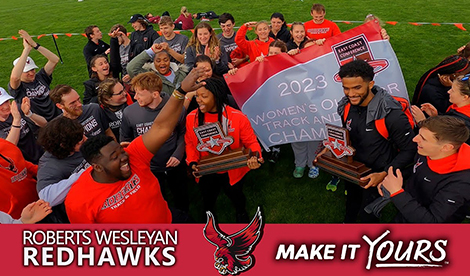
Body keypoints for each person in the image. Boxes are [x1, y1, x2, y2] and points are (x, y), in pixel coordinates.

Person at [65, 67, 206, 223]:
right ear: (97, 166)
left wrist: (181, 91)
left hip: (171, 219)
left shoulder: (134, 156)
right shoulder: (78, 201)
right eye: (114, 157)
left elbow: (161, 127)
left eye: (120, 151)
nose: (124, 157)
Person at [316, 60, 416, 223]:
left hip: (377, 176)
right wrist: (331, 149)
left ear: (371, 84)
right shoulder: (346, 106)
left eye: (357, 88)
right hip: (353, 170)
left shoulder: (392, 115)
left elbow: (410, 150)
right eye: (346, 88)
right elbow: (347, 135)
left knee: (368, 215)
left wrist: (383, 174)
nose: (350, 94)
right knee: (351, 203)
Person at [185, 77, 263, 222]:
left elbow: (251, 142)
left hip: (232, 168)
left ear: (217, 96)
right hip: (206, 168)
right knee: (208, 197)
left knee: (235, 194)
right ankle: (209, 216)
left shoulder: (237, 117)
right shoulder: (192, 118)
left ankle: (241, 212)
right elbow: (190, 143)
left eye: (204, 96)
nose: (199, 100)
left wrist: (256, 157)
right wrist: (192, 162)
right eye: (197, 96)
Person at [380, 116, 470, 223]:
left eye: (423, 138)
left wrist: (397, 193)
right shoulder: (427, 152)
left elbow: (432, 222)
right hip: (407, 209)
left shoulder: (461, 183)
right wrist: (390, 179)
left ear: (446, 147)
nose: (414, 139)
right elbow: (417, 169)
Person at [120, 72, 189, 212]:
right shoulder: (129, 113)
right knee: (156, 201)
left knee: (182, 197)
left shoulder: (175, 108)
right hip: (148, 169)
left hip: (175, 164)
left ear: (155, 94)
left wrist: (178, 154)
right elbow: (125, 140)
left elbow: (183, 133)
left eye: (139, 94)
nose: (135, 97)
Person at [36, 117, 88, 223]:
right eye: (80, 141)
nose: (85, 139)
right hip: (80, 211)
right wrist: (82, 174)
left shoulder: (79, 141)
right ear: (64, 145)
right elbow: (46, 197)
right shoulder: (49, 165)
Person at [9, 29, 61, 121]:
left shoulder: (41, 77)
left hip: (58, 117)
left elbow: (54, 60)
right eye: (27, 71)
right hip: (41, 124)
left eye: (32, 69)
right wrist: (26, 50)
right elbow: (15, 77)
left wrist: (34, 45)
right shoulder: (18, 88)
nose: (31, 73)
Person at [412, 74, 470, 144]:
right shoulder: (459, 108)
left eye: (453, 90)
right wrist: (436, 116)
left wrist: (421, 122)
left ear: (465, 97)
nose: (448, 91)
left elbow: (439, 140)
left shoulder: (461, 122)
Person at [50, 84, 115, 140]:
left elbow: (108, 132)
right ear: (60, 106)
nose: (79, 104)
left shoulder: (94, 109)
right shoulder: (59, 127)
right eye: (72, 103)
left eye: (78, 99)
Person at [0, 88, 46, 164]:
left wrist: (29, 114)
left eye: (6, 101)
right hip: (22, 164)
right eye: (1, 104)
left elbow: (44, 124)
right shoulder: (15, 115)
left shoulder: (17, 108)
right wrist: (17, 120)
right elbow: (8, 148)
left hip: (40, 154)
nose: (6, 106)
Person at [0, 138, 39, 219]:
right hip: (18, 220)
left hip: (41, 201)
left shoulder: (4, 144)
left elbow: (21, 162)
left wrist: (42, 172)